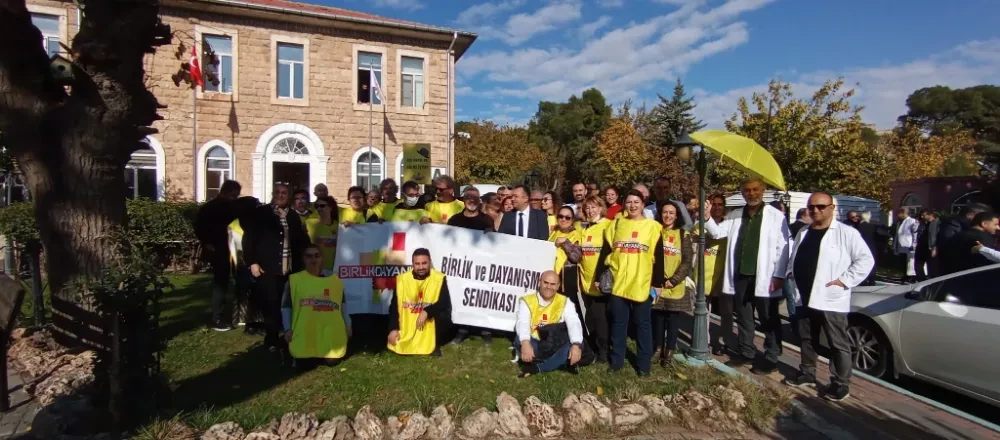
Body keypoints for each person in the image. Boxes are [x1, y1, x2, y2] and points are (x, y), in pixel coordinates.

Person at [784, 192, 874, 402]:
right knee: (806, 337)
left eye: (821, 206)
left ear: (832, 208)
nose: (815, 210)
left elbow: (865, 260)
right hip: (804, 295)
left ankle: (840, 383)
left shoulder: (846, 233)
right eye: (811, 206)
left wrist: (845, 280)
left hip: (830, 298)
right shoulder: (804, 232)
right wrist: (790, 271)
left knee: (837, 342)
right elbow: (794, 255)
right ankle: (807, 372)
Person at [702, 178, 789, 375]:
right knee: (743, 316)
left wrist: (779, 274)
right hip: (741, 274)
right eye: (747, 190)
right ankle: (746, 352)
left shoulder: (775, 216)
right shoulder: (735, 215)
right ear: (742, 192)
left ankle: (771, 356)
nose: (751, 194)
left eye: (755, 190)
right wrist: (707, 218)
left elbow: (783, 248)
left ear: (763, 190)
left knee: (768, 317)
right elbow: (717, 234)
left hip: (766, 276)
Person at [594, 189, 665, 376]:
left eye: (636, 202)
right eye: (629, 202)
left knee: (643, 324)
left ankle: (643, 366)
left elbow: (659, 257)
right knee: (618, 324)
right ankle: (616, 362)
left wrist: (658, 284)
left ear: (643, 204)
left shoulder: (653, 227)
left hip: (641, 282)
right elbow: (605, 251)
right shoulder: (617, 224)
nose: (632, 206)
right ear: (624, 205)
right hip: (619, 282)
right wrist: (598, 277)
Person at [244, 183, 310, 349]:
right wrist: (252, 262)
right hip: (268, 268)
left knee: (287, 304)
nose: (281, 195)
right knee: (271, 304)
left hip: (289, 269)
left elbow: (301, 240)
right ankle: (271, 338)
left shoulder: (293, 216)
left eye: (285, 193)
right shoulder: (261, 213)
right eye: (278, 192)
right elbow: (249, 239)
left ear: (289, 196)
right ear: (273, 193)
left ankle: (285, 335)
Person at [281, 245, 352, 369]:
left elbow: (342, 304)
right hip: (305, 332)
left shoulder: (334, 280)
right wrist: (287, 330)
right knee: (305, 364)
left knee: (332, 362)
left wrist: (348, 325)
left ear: (322, 258)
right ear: (303, 259)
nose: (313, 259)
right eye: (309, 256)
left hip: (329, 331)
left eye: (317, 256)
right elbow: (286, 307)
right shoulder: (294, 280)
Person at [516, 271, 589, 377]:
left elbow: (574, 322)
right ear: (539, 282)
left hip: (555, 344)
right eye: (546, 282)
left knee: (578, 343)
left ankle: (537, 367)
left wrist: (576, 345)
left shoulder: (565, 301)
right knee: (520, 340)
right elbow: (522, 322)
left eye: (553, 284)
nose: (549, 287)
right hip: (537, 345)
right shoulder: (527, 300)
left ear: (558, 286)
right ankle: (561, 362)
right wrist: (526, 342)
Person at [194, 180, 242, 331]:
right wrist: (207, 242)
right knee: (221, 283)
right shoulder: (209, 208)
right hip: (219, 249)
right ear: (224, 192)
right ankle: (217, 318)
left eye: (236, 196)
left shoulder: (233, 207)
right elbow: (199, 227)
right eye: (233, 195)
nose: (235, 198)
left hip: (233, 248)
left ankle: (239, 313)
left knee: (238, 281)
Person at [387, 248, 452, 357]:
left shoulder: (438, 278)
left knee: (443, 314)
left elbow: (444, 302)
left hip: (428, 320)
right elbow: (394, 307)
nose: (421, 267)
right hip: (408, 322)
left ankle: (434, 344)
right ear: (412, 264)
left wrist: (427, 311)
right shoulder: (402, 280)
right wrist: (393, 329)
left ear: (430, 262)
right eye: (417, 264)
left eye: (424, 263)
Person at [652, 201, 692, 367]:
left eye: (671, 213)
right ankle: (657, 349)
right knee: (658, 318)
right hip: (657, 284)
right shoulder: (655, 232)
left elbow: (687, 261)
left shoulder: (683, 235)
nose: (667, 216)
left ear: (677, 216)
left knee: (673, 321)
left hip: (675, 285)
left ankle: (669, 352)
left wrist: (674, 279)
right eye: (665, 212)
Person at [577, 196, 612, 362]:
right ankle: (595, 348)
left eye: (593, 207)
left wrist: (602, 276)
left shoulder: (608, 225)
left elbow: (609, 253)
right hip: (586, 281)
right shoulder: (585, 229)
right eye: (587, 208)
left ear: (600, 208)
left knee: (601, 319)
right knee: (590, 317)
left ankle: (604, 352)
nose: (590, 211)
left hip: (600, 282)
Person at [697, 193, 730, 355]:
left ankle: (724, 342)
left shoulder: (729, 224)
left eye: (720, 204)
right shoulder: (700, 223)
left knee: (725, 311)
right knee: (704, 310)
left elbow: (718, 233)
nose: (717, 208)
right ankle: (705, 339)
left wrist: (707, 218)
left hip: (722, 274)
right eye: (713, 205)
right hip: (704, 273)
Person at [229, 196, 262, 334]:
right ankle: (249, 321)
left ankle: (252, 321)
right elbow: (231, 248)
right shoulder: (235, 225)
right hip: (247, 262)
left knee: (253, 293)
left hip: (248, 261)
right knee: (249, 292)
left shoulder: (256, 222)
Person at [938, 203, 991, 275]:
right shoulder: (953, 226)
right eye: (980, 216)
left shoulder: (966, 227)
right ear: (970, 215)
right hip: (954, 272)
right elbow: (949, 248)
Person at [304, 196, 339, 273]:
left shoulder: (339, 226)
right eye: (317, 206)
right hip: (316, 269)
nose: (319, 209)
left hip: (335, 269)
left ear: (330, 208)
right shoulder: (309, 223)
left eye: (322, 206)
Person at [846, 211, 877, 286]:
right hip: (871, 247)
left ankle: (865, 280)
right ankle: (871, 279)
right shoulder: (872, 226)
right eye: (854, 217)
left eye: (857, 216)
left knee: (863, 262)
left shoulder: (859, 226)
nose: (856, 218)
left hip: (863, 247)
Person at [893, 208, 918, 283]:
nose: (898, 215)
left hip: (908, 244)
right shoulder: (900, 222)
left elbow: (915, 233)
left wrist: (914, 244)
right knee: (903, 261)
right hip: (901, 244)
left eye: (899, 213)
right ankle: (905, 276)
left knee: (910, 262)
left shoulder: (911, 221)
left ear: (903, 213)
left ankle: (911, 277)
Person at [915, 209, 939, 281]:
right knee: (918, 266)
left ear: (931, 215)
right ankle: (922, 281)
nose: (922, 217)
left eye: (924, 215)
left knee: (931, 268)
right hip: (920, 247)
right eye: (921, 215)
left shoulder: (937, 223)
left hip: (930, 248)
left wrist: (935, 247)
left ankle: (932, 282)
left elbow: (938, 236)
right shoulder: (922, 224)